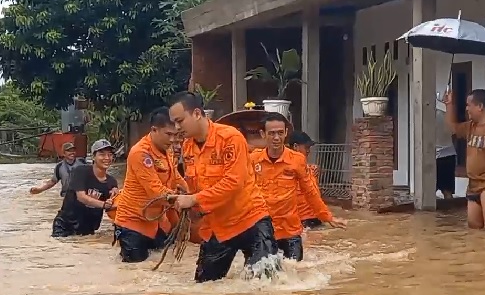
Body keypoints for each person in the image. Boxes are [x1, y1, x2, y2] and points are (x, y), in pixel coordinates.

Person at [167, 91, 280, 282]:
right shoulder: (187, 148)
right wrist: (190, 205)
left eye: (180, 121)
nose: (177, 127)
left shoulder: (230, 138)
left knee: (267, 284)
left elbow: (233, 182)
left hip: (251, 220)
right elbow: (195, 185)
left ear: (196, 113)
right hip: (217, 227)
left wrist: (194, 199)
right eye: (174, 123)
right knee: (204, 288)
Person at [252, 114, 345, 261]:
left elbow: (310, 191)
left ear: (286, 133)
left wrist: (326, 216)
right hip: (264, 232)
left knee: (295, 273)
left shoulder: (297, 160)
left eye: (280, 133)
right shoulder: (254, 159)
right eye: (272, 133)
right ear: (263, 134)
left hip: (291, 231)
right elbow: (242, 190)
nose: (276, 138)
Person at [112, 108, 188, 262]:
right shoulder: (140, 153)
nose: (173, 140)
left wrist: (194, 192)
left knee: (164, 266)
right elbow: (156, 192)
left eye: (176, 135)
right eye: (169, 134)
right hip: (133, 224)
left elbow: (176, 177)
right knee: (134, 272)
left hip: (157, 223)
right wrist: (185, 200)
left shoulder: (167, 150)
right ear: (154, 130)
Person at [443, 88, 485, 231]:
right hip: (473, 184)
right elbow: (452, 128)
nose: (467, 109)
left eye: (469, 105)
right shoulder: (470, 126)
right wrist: (449, 105)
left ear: (480, 107)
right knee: (474, 227)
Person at [51, 139, 119, 238]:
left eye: (110, 154)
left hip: (88, 231)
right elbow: (81, 197)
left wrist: (116, 197)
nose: (107, 158)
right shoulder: (80, 171)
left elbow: (114, 209)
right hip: (65, 226)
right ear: (93, 157)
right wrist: (104, 204)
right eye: (102, 154)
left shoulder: (112, 182)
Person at [288, 131, 324, 229]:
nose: (308, 151)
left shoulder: (309, 168)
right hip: (302, 221)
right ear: (295, 147)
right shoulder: (286, 169)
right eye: (306, 147)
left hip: (315, 217)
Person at [435, 95, 457, 200]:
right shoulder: (444, 115)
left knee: (428, 193)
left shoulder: (423, 118)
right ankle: (450, 215)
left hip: (434, 157)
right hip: (448, 155)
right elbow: (453, 131)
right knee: (447, 192)